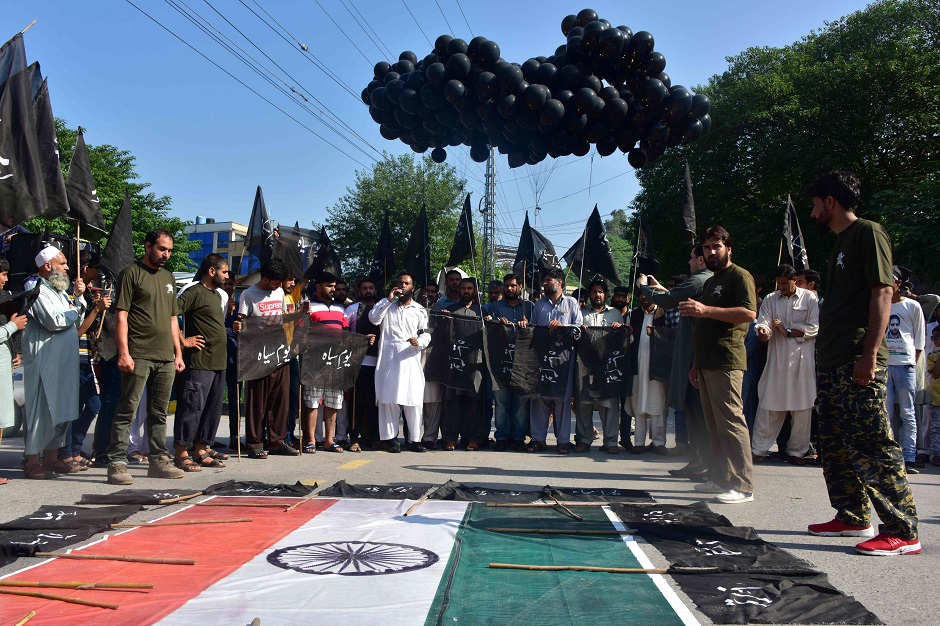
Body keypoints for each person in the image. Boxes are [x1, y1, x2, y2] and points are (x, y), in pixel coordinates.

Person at [806, 170, 920, 555]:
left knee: (872, 443)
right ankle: (851, 514)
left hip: (857, 359)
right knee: (835, 442)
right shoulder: (839, 243)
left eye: (815, 204)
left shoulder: (868, 232)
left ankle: (903, 531)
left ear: (831, 202)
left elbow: (882, 292)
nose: (812, 212)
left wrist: (869, 354)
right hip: (833, 360)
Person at [679, 225, 757, 504]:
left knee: (732, 422)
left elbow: (749, 313)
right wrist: (696, 364)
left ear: (728, 249)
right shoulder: (712, 281)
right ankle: (721, 477)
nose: (712, 252)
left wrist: (705, 310)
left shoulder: (739, 276)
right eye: (707, 248)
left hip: (727, 359)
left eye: (717, 247)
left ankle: (743, 485)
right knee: (714, 424)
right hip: (708, 362)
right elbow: (705, 326)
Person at [106, 230, 187, 485]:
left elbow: (174, 318)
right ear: (148, 246)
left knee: (159, 412)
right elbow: (121, 316)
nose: (167, 255)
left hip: (165, 356)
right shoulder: (131, 273)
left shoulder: (169, 277)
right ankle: (117, 463)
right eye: (162, 249)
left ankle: (158, 460)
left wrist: (178, 352)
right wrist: (124, 353)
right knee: (127, 410)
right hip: (138, 354)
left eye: (170, 250)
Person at [639, 244, 712, 478]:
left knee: (699, 411)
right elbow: (677, 297)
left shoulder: (700, 278)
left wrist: (642, 286)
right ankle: (698, 460)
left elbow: (670, 300)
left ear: (701, 260)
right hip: (694, 352)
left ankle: (707, 463)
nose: (689, 263)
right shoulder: (704, 280)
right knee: (693, 410)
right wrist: (659, 287)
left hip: (696, 354)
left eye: (691, 258)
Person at [22, 245, 90, 479]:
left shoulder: (60, 290)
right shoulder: (35, 287)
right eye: (62, 263)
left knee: (61, 408)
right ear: (48, 266)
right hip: (44, 358)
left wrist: (78, 300)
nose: (68, 267)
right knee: (40, 409)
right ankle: (32, 461)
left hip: (64, 360)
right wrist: (72, 311)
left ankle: (52, 458)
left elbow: (75, 317)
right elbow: (54, 320)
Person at [750, 264, 819, 465]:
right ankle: (758, 449)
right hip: (777, 359)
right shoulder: (771, 299)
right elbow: (762, 322)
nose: (781, 287)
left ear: (794, 280)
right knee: (768, 404)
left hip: (801, 360)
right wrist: (764, 332)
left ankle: (797, 452)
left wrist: (788, 331)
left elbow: (814, 327)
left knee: (802, 408)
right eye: (778, 284)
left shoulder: (810, 298)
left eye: (785, 284)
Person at [235, 258, 299, 459]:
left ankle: (277, 440)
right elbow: (242, 322)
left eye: (281, 282)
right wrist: (239, 326)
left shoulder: (279, 292)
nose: (279, 286)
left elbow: (281, 317)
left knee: (281, 398)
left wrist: (299, 314)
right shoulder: (248, 294)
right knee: (257, 399)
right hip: (257, 353)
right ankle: (254, 442)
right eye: (276, 282)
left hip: (279, 350)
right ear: (265, 279)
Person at [173, 254, 230, 472]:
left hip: (218, 361)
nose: (227, 276)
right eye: (224, 272)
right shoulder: (193, 291)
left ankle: (201, 448)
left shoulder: (218, 295)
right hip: (198, 362)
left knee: (212, 408)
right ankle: (182, 452)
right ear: (211, 271)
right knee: (192, 407)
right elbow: (171, 314)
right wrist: (183, 340)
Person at [369, 273, 431, 452]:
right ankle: (389, 439)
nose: (402, 286)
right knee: (388, 399)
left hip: (410, 357)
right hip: (389, 359)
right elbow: (374, 319)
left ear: (413, 288)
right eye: (400, 282)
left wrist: (419, 342)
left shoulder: (419, 310)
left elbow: (426, 333)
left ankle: (414, 439)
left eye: (407, 283)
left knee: (413, 398)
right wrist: (388, 300)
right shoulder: (386, 305)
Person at [60, 252, 110, 470]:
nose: (98, 272)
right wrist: (96, 309)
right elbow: (77, 329)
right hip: (71, 356)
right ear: (84, 268)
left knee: (93, 405)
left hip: (86, 357)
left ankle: (75, 446)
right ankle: (66, 451)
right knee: (72, 408)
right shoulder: (70, 291)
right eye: (96, 267)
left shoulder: (88, 293)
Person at [529, 268, 583, 454]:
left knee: (563, 400)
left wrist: (563, 327)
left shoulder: (571, 303)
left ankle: (563, 441)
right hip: (542, 359)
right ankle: (538, 439)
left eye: (548, 279)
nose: (545, 283)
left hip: (564, 360)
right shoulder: (538, 306)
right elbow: (533, 330)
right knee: (539, 400)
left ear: (559, 282)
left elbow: (579, 330)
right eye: (544, 280)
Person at [303, 272, 349, 454]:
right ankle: (311, 440)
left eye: (334, 286)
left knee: (333, 401)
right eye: (329, 286)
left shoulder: (340, 308)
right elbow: (300, 329)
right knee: (312, 401)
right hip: (314, 359)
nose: (333, 289)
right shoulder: (308, 306)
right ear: (319, 287)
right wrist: (302, 316)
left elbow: (346, 332)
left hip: (335, 361)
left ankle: (330, 440)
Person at [885, 266, 925, 473]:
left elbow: (919, 339)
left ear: (898, 283)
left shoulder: (912, 307)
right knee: (887, 412)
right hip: (884, 365)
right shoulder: (880, 305)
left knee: (907, 412)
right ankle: (890, 456)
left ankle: (909, 457)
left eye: (889, 280)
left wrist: (912, 361)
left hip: (905, 365)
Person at [576, 280, 624, 453]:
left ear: (605, 294)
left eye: (601, 292)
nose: (597, 295)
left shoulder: (615, 314)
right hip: (585, 364)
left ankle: (611, 441)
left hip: (607, 365)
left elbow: (624, 338)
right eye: (594, 292)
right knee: (584, 402)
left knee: (609, 402)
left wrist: (619, 328)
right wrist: (579, 330)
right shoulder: (581, 313)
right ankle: (584, 439)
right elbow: (573, 337)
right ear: (590, 295)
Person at [487, 273, 533, 451]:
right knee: (501, 403)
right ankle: (502, 437)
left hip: (523, 363)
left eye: (513, 285)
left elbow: (537, 331)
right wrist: (497, 324)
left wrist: (528, 324)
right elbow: (488, 329)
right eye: (507, 285)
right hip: (500, 362)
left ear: (520, 287)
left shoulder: (529, 307)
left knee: (521, 403)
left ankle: (519, 438)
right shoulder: (495, 307)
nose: (509, 289)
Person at [442, 278, 487, 450]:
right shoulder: (450, 310)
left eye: (470, 288)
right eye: (463, 288)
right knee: (452, 401)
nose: (466, 291)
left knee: (474, 402)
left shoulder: (482, 311)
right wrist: (444, 321)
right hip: (455, 362)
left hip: (475, 363)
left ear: (475, 291)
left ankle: (473, 438)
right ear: (459, 290)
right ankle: (450, 437)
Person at [626, 292, 668, 455]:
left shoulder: (663, 313)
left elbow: (671, 335)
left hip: (657, 366)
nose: (644, 298)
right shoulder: (635, 314)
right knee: (639, 403)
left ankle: (658, 442)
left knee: (657, 403)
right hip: (638, 366)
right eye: (641, 295)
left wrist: (656, 333)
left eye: (647, 295)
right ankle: (638, 442)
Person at [0, 258, 27, 483]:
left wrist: (13, 353)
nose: (6, 279)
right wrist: (12, 326)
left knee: (1, 420)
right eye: (3, 275)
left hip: (4, 367)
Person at [345, 277, 379, 451]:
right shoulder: (351, 310)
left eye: (371, 287)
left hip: (379, 364)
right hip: (358, 363)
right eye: (364, 288)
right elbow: (344, 335)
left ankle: (373, 437)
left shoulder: (382, 309)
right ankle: (354, 438)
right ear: (358, 291)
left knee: (374, 403)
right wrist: (362, 340)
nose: (368, 290)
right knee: (356, 403)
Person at [926, 327, 940, 466]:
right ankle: (937, 454)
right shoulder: (932, 355)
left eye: (936, 337)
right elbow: (934, 373)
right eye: (933, 337)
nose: (934, 340)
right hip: (936, 398)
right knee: (936, 428)